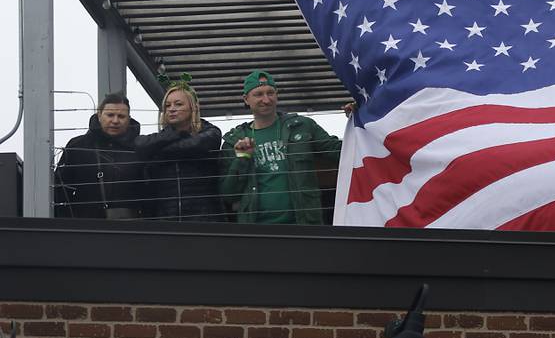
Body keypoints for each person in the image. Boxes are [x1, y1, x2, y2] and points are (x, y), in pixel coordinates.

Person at [220, 70, 342, 224]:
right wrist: (242, 159)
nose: (266, 99)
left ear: (277, 95)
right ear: (246, 99)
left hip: (304, 226)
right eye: (258, 94)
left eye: (270, 93)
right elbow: (228, 194)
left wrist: (358, 119)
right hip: (257, 232)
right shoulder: (234, 140)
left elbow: (339, 152)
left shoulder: (302, 126)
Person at [135, 80, 223, 222]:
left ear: (192, 107)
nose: (172, 109)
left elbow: (195, 145)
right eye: (167, 105)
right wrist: (172, 136)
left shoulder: (211, 132)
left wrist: (159, 149)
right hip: (167, 220)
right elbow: (139, 145)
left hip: (204, 219)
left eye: (178, 104)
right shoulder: (161, 138)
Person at [54, 92, 143, 219]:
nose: (115, 120)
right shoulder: (78, 146)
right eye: (110, 115)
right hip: (84, 226)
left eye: (121, 116)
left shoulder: (140, 147)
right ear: (99, 115)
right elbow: (59, 189)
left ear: (129, 119)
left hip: (130, 227)